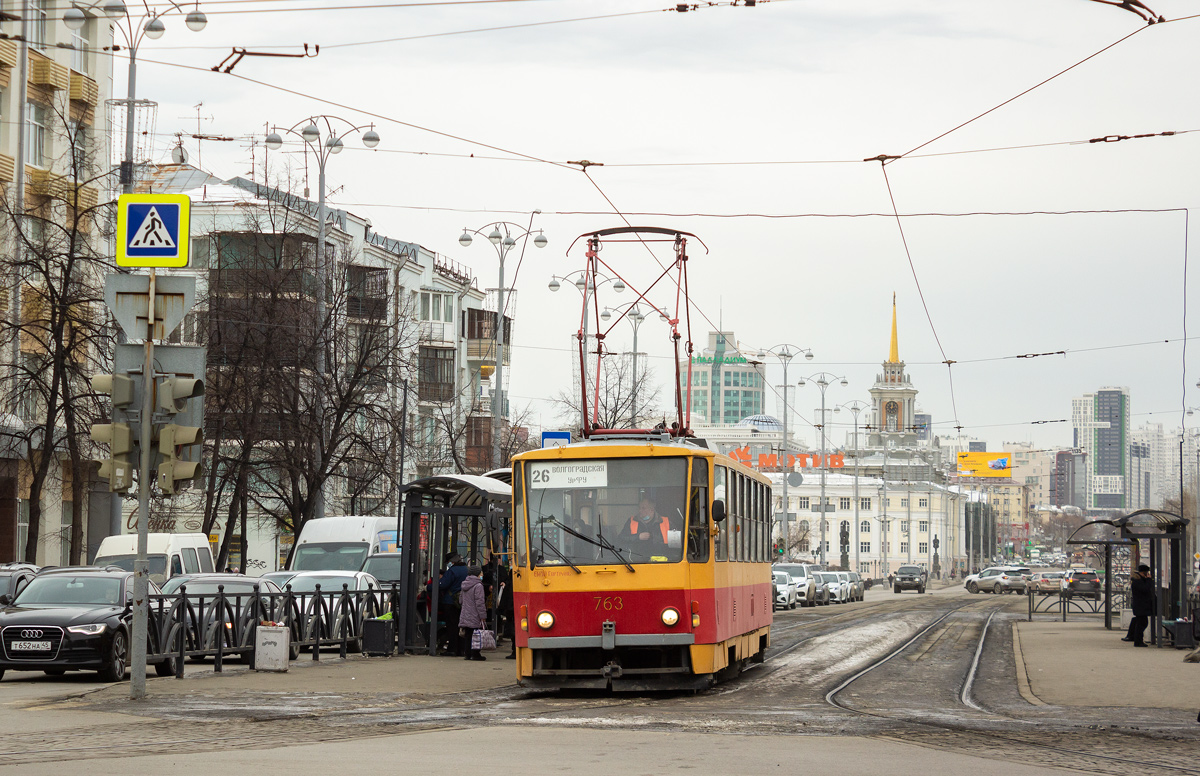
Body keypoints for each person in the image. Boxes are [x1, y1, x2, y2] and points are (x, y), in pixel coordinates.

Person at [438, 554, 469, 655]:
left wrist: (429, 587)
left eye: (448, 562)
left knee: (452, 626)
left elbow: (443, 584)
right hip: (464, 602)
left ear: (452, 561)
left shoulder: (452, 571)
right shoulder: (467, 570)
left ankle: (452, 649)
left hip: (450, 602)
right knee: (462, 626)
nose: (448, 564)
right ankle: (462, 649)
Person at [458, 564, 488, 661]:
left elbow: (460, 600)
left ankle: (467, 654)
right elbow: (480, 602)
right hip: (475, 614)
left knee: (468, 635)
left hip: (466, 613)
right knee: (476, 635)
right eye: (481, 573)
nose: (482, 574)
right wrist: (483, 615)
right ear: (477, 574)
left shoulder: (464, 584)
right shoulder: (478, 585)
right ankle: (475, 654)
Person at [1124, 563, 1155, 647]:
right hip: (1140, 606)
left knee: (1141, 623)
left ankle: (1138, 640)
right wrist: (1149, 580)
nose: (1148, 574)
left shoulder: (1139, 581)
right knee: (1142, 623)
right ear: (1143, 573)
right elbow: (1145, 589)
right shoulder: (1137, 581)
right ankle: (1138, 641)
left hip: (1141, 606)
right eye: (1147, 572)